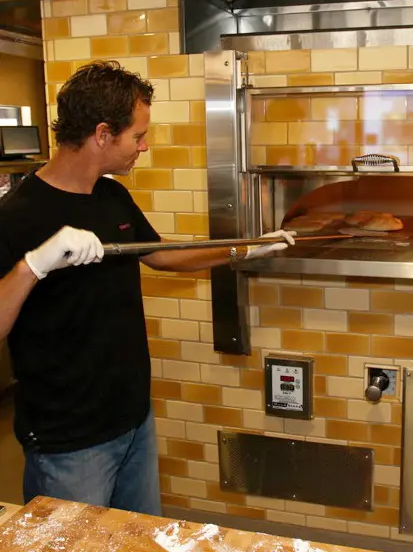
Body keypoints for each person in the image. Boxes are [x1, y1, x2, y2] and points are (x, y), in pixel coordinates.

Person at [0, 60, 294, 516]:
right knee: (77, 548)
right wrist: (33, 265)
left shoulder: (112, 196)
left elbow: (162, 255)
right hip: (69, 440)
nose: (145, 145)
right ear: (103, 134)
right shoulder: (16, 216)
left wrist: (249, 249)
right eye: (137, 136)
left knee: (137, 539)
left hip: (133, 419)